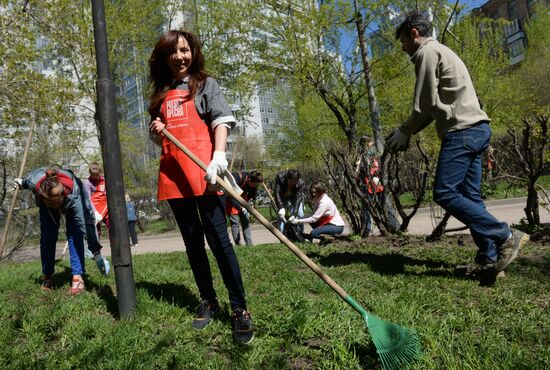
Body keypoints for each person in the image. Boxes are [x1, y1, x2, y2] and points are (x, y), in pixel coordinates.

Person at [386, 11, 529, 276]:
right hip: (477, 128)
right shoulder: (443, 51)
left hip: (461, 132)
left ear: (414, 34)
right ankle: (489, 259)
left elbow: (425, 104)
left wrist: (404, 131)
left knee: (445, 193)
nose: (404, 49)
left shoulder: (427, 53)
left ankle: (505, 234)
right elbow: (433, 109)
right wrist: (410, 132)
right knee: (470, 197)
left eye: (403, 42)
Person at [148, 29, 254, 344]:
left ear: (192, 52)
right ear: (164, 58)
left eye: (185, 50)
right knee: (193, 243)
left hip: (205, 175)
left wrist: (218, 157)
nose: (180, 57)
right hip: (174, 177)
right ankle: (208, 299)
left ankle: (239, 308)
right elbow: (161, 140)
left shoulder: (206, 85)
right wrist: (158, 131)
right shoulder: (160, 94)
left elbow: (222, 120)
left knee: (220, 242)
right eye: (173, 51)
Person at [14, 167, 110, 294]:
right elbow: (27, 181)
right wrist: (21, 183)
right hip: (46, 200)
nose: (57, 207)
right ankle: (47, 275)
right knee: (48, 236)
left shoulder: (75, 194)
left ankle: (77, 277)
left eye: (57, 203)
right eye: (53, 204)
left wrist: (96, 254)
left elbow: (86, 226)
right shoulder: (34, 182)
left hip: (71, 199)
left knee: (75, 235)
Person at [357, 136, 400, 236]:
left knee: (373, 207)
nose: (372, 144)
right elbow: (367, 170)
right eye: (370, 142)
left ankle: (369, 230)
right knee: (375, 207)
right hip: (370, 183)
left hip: (373, 183)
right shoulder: (367, 154)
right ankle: (394, 227)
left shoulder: (365, 155)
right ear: (366, 143)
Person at [225, 170, 264, 246]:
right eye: (254, 184)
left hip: (243, 200)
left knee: (246, 222)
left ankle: (249, 244)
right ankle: (238, 244)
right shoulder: (236, 177)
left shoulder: (254, 183)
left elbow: (251, 195)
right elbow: (230, 195)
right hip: (231, 199)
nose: (254, 186)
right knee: (235, 223)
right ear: (249, 180)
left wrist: (250, 205)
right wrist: (241, 207)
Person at [83, 162, 110, 241]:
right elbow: (87, 199)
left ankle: (115, 248)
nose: (95, 177)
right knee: (95, 231)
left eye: (96, 175)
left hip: (105, 208)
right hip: (94, 210)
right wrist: (95, 212)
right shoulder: (87, 183)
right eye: (93, 175)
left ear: (100, 172)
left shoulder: (104, 180)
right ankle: (96, 252)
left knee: (112, 228)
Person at [273, 169, 305, 233]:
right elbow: (277, 193)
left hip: (294, 198)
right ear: (287, 178)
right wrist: (281, 207)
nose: (293, 184)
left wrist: (294, 213)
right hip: (282, 198)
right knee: (281, 216)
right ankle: (283, 236)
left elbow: (298, 198)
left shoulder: (300, 182)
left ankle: (300, 234)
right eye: (292, 182)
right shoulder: (280, 178)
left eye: (295, 182)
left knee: (300, 214)